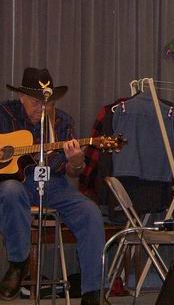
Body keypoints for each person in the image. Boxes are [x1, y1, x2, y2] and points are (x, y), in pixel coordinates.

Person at [0, 67, 108, 305]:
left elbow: (73, 172)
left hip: (53, 183)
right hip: (13, 184)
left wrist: (76, 162)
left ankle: (93, 292)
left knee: (89, 212)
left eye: (47, 102)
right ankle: (18, 264)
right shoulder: (4, 113)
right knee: (10, 190)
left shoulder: (62, 121)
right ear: (22, 97)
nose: (42, 108)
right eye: (36, 102)